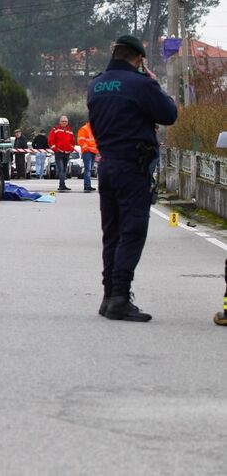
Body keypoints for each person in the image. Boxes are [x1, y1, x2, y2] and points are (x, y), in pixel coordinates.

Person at [87, 34, 177, 321]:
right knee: (132, 231)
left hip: (107, 165)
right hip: (133, 167)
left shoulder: (96, 85)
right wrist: (154, 82)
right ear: (138, 59)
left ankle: (108, 295)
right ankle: (120, 299)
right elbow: (169, 114)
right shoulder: (141, 84)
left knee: (111, 232)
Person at [48, 116, 75, 191]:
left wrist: (71, 149)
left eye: (65, 121)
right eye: (63, 121)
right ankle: (61, 184)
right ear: (59, 122)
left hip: (67, 153)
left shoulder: (70, 131)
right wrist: (55, 149)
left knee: (64, 169)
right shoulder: (55, 130)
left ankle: (63, 184)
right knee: (61, 169)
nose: (64, 123)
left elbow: (72, 141)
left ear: (67, 122)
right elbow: (50, 141)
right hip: (59, 153)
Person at [77, 121, 99, 192]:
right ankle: (87, 185)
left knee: (89, 169)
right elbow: (80, 141)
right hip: (87, 152)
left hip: (92, 151)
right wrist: (87, 148)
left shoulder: (93, 129)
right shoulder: (84, 129)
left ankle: (88, 185)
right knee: (88, 169)